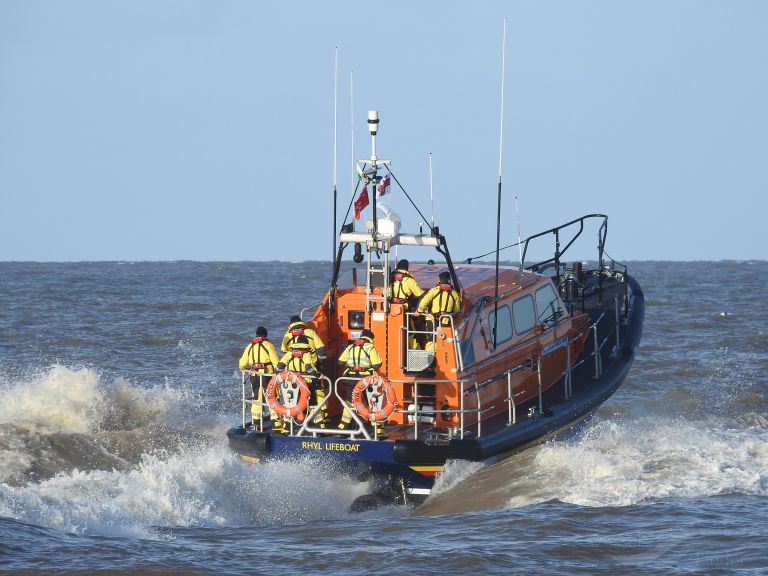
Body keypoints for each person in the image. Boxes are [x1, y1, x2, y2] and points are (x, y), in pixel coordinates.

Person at [337, 329, 387, 438]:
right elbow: (377, 364)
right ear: (371, 339)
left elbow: (340, 362)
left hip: (351, 379)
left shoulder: (351, 347)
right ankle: (378, 431)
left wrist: (353, 365)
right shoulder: (370, 348)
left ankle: (342, 428)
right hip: (366, 380)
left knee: (350, 403)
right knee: (373, 404)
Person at [275, 334, 327, 428]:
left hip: (292, 383)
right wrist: (319, 375)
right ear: (306, 344)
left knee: (290, 403)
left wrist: (278, 375)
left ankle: (287, 426)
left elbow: (279, 367)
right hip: (306, 382)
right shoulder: (306, 354)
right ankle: (320, 424)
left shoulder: (288, 354)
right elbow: (308, 368)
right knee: (312, 403)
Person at [238, 327, 282, 432]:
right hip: (267, 375)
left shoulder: (249, 346)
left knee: (257, 398)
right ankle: (277, 422)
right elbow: (276, 362)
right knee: (272, 396)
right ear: (265, 335)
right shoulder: (268, 345)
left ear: (256, 335)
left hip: (254, 376)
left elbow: (242, 364)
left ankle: (256, 423)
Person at [416, 271, 461, 350]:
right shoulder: (454, 294)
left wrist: (418, 311)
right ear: (449, 280)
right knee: (443, 340)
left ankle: (431, 358)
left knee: (431, 340)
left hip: (431, 319)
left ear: (440, 280)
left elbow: (424, 301)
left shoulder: (434, 290)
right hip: (445, 321)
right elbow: (456, 310)